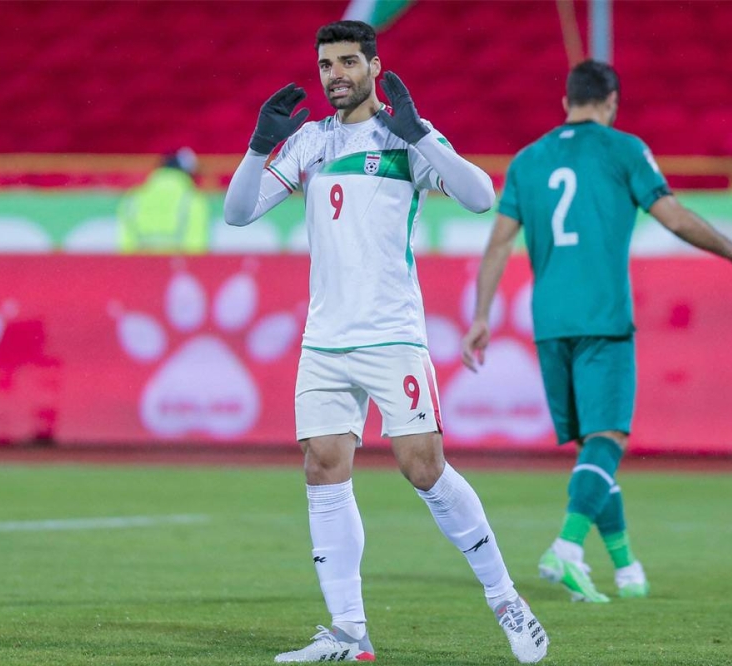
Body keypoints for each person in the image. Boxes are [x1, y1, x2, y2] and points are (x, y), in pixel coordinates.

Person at [224, 20, 548, 664]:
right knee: (323, 466)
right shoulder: (311, 141)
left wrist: (421, 134)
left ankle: (506, 599)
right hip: (325, 340)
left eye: (348, 62)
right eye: (326, 65)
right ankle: (349, 633)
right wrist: (259, 147)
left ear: (375, 66)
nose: (335, 75)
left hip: (392, 335)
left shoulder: (404, 135)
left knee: (423, 467)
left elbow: (481, 196)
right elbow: (238, 212)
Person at [461, 60, 732, 604]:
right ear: (611, 104)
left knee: (592, 450)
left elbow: (499, 243)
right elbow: (673, 217)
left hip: (549, 323)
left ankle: (627, 569)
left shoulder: (528, 160)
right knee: (609, 439)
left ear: (566, 102)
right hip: (602, 318)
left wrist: (482, 315)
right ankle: (567, 547)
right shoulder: (625, 149)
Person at [117, 147, 210, 253]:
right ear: (188, 174)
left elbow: (126, 247)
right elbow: (196, 249)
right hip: (177, 263)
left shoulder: (132, 198)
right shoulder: (194, 200)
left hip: (139, 263)